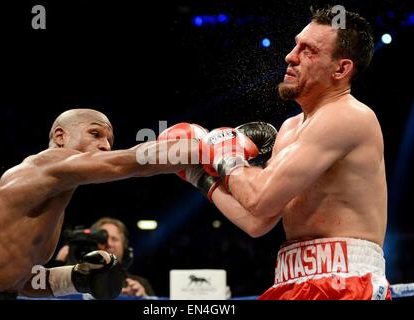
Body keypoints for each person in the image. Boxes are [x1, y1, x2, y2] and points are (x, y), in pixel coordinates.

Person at [166, 7, 390, 300]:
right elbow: (257, 220)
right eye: (296, 44)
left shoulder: (350, 116)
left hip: (346, 281)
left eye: (308, 50)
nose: (290, 55)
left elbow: (258, 199)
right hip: (290, 279)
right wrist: (197, 175)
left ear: (341, 69)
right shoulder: (289, 128)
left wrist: (225, 155)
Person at [0, 108, 197, 300]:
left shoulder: (54, 205)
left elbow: (20, 280)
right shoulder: (41, 165)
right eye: (95, 134)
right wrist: (201, 147)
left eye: (109, 140)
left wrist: (78, 277)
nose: (106, 146)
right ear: (60, 137)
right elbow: (127, 162)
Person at [55, 217, 155, 297]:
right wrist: (58, 262)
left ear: (124, 247)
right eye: (103, 238)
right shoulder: (74, 281)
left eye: (114, 239)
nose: (109, 244)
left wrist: (143, 298)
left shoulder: (140, 284)